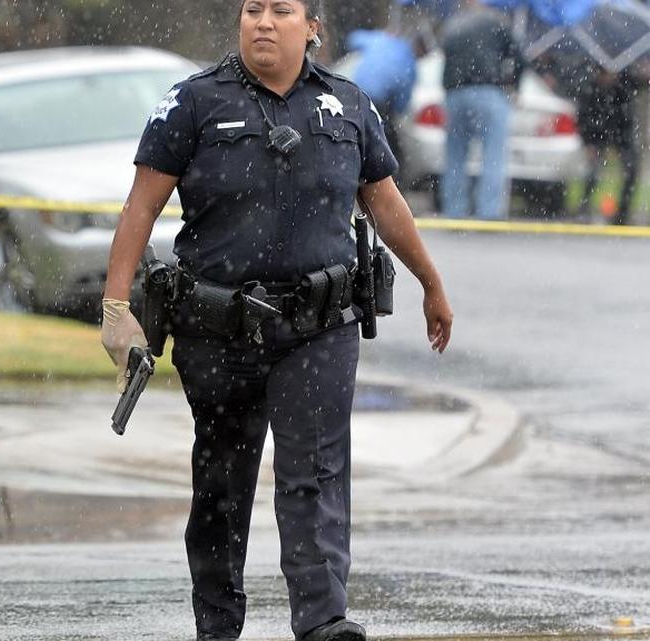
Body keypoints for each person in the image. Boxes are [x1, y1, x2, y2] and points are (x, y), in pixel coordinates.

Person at [100, 1, 454, 640]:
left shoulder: (349, 107)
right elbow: (140, 209)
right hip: (218, 331)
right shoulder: (192, 103)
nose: (263, 21)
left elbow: (385, 201)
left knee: (314, 476)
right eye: (252, 8)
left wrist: (431, 281)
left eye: (281, 9)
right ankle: (217, 624)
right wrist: (115, 309)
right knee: (221, 486)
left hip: (320, 329)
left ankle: (322, 622)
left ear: (312, 25)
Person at [439, 0, 523, 220]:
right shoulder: (496, 22)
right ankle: (489, 213)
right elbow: (519, 56)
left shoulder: (452, 25)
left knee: (455, 157)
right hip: (488, 91)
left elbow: (444, 60)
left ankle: (455, 212)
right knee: (493, 155)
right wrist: (515, 85)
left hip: (455, 94)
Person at [346, 29, 425, 173]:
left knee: (361, 140)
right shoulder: (409, 63)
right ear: (419, 50)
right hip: (378, 102)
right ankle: (393, 183)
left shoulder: (380, 39)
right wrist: (395, 114)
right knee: (390, 147)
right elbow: (402, 102)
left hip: (355, 95)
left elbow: (353, 39)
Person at [575, 67, 641, 225]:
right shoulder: (589, 90)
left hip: (621, 134)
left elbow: (628, 118)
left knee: (631, 170)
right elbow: (582, 119)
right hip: (597, 135)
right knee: (593, 173)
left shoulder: (623, 88)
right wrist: (589, 143)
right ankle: (584, 209)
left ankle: (622, 214)